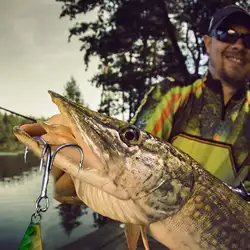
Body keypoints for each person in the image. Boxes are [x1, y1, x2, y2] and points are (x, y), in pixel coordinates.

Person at [21, 4, 250, 203]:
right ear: (208, 43)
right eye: (227, 34)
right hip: (152, 230)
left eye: (248, 39)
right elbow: (132, 154)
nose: (239, 44)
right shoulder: (172, 94)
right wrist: (84, 182)